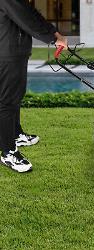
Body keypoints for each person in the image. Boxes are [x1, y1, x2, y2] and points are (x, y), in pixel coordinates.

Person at [0, 0, 68, 173]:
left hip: (12, 50)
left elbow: (29, 12)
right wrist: (53, 36)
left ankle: (16, 134)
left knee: (15, 97)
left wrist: (53, 32)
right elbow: (26, 17)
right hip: (7, 52)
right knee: (7, 102)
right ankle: (8, 151)